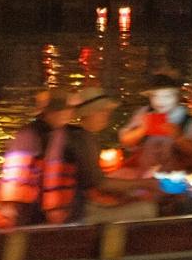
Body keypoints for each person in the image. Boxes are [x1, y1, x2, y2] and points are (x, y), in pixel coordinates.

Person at [65, 88, 159, 222]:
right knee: (148, 209)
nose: (106, 115)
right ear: (88, 114)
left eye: (107, 111)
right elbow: (101, 184)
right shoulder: (84, 139)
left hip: (82, 204)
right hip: (82, 211)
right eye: (101, 111)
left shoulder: (78, 136)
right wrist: (145, 183)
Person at [0, 90, 79, 225]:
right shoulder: (29, 135)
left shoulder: (60, 133)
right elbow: (16, 177)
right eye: (65, 110)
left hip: (49, 207)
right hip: (30, 210)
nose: (69, 114)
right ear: (50, 112)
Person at [118, 72, 192, 173]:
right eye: (155, 96)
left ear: (177, 97)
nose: (160, 101)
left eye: (167, 96)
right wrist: (142, 130)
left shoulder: (188, 119)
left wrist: (178, 137)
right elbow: (125, 140)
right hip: (146, 174)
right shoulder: (144, 113)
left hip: (178, 176)